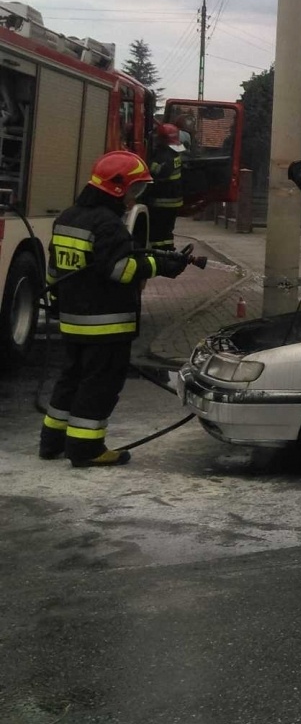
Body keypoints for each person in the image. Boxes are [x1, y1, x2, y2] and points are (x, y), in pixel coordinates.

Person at [38, 151, 191, 467]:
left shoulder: (67, 218)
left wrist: (58, 305)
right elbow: (120, 270)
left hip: (73, 322)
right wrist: (160, 264)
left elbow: (55, 271)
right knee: (99, 386)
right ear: (117, 188)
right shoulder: (109, 225)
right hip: (105, 325)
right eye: (135, 190)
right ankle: (86, 449)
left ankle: (52, 442)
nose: (135, 198)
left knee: (71, 379)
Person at [145, 122, 186, 250]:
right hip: (173, 201)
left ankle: (159, 254)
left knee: (157, 232)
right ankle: (168, 251)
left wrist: (148, 163)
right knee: (166, 231)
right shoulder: (175, 153)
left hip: (161, 202)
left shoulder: (164, 155)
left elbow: (158, 172)